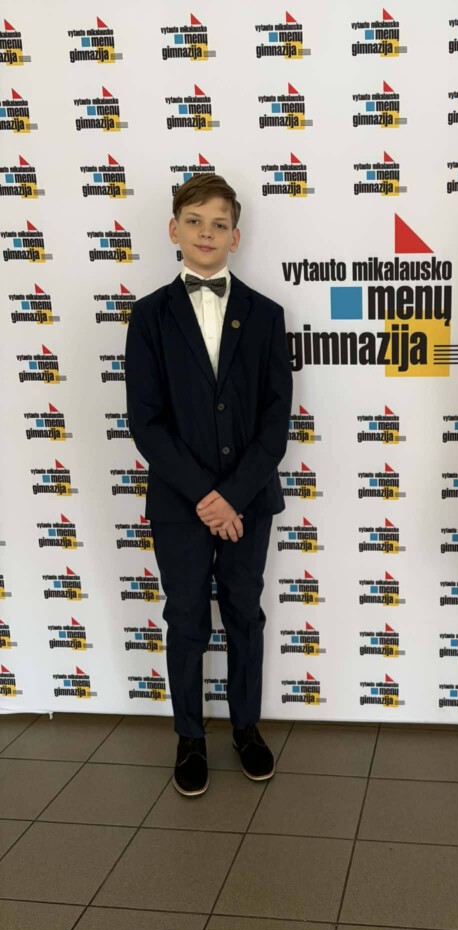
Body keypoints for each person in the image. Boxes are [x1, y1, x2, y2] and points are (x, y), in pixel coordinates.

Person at [125, 174, 293, 797]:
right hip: (180, 504)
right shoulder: (149, 316)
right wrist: (204, 496)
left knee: (245, 614)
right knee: (187, 617)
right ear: (174, 229)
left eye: (219, 224)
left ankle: (246, 728)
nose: (206, 233)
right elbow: (146, 422)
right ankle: (189, 737)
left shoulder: (267, 315)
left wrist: (234, 495)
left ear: (235, 237)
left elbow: (275, 420)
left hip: (248, 502)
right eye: (194, 221)